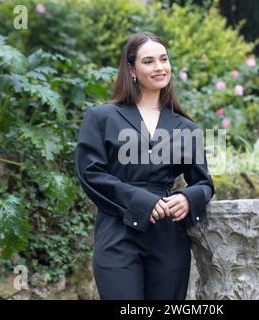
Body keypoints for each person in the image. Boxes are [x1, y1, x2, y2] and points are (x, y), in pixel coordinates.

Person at [75, 31, 214, 300]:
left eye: (164, 59)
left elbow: (204, 184)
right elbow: (89, 173)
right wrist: (140, 200)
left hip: (169, 237)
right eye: (149, 61)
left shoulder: (187, 127)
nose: (160, 67)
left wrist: (187, 197)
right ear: (132, 69)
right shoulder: (101, 117)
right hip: (118, 230)